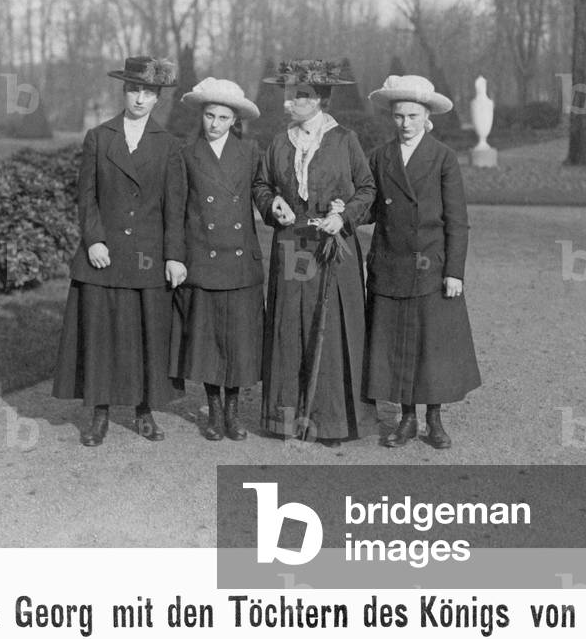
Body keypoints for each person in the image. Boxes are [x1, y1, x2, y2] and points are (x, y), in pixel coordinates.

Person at [53, 56, 187, 446]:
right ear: (124, 91)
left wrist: (174, 255)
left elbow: (174, 207)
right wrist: (93, 239)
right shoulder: (99, 136)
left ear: (158, 98)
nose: (140, 99)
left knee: (146, 334)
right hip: (104, 255)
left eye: (148, 92)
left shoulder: (168, 145)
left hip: (147, 257)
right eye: (134, 90)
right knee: (100, 334)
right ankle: (99, 414)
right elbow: (87, 195)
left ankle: (144, 411)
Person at [252, 60, 376, 447]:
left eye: (302, 94)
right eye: (290, 93)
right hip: (291, 245)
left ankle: (332, 421)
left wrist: (345, 217)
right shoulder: (279, 141)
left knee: (333, 327)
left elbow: (367, 189)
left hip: (333, 247)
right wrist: (272, 204)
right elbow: (261, 184)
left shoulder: (344, 140)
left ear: (321, 99)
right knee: (292, 325)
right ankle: (288, 419)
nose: (293, 101)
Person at [364, 74, 482, 449]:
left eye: (413, 116)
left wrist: (454, 272)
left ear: (427, 116)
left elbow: (457, 220)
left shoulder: (443, 157)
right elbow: (368, 208)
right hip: (391, 264)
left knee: (432, 348)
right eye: (399, 116)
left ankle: (435, 419)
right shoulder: (381, 156)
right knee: (397, 345)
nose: (405, 124)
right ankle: (407, 418)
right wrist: (341, 209)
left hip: (431, 267)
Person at [170, 77, 264, 441]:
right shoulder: (186, 154)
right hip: (203, 260)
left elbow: (262, 190)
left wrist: (275, 205)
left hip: (240, 263)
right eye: (210, 115)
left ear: (234, 121)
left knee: (238, 341)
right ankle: (213, 412)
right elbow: (176, 209)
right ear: (202, 115)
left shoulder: (250, 152)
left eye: (223, 118)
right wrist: (175, 257)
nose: (214, 124)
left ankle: (233, 414)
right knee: (208, 342)